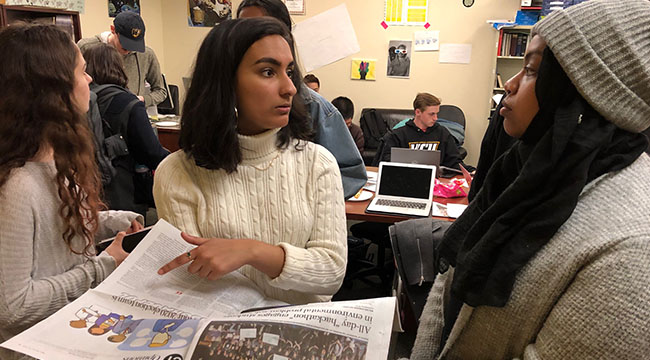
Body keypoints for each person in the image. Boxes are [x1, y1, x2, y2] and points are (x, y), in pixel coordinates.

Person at [408, 0, 650, 358]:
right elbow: (450, 278)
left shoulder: (630, 251)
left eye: (534, 70)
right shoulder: (526, 170)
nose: (510, 83)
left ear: (583, 92)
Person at [153, 17, 347, 305]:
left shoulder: (318, 164)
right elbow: (191, 280)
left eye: (289, 71)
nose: (290, 88)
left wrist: (252, 252)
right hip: (221, 330)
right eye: (268, 72)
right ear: (225, 83)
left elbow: (331, 270)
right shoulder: (178, 172)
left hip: (303, 333)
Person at [0, 24, 143, 359]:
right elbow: (12, 306)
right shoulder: (16, 185)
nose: (90, 80)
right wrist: (103, 266)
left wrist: (110, 221)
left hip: (71, 326)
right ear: (52, 90)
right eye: (82, 72)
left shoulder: (57, 159)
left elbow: (58, 227)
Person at [237, 0, 367, 200]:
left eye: (260, 28)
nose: (249, 38)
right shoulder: (223, 103)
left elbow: (351, 174)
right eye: (242, 29)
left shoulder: (315, 108)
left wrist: (297, 198)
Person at [82, 43, 170, 218]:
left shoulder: (81, 99)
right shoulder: (128, 103)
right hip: (126, 190)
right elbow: (151, 152)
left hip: (89, 188)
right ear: (118, 67)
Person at [77, 11, 166, 107]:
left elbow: (160, 91)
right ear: (113, 29)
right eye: (125, 44)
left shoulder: (146, 54)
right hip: (96, 114)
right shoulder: (86, 47)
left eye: (134, 45)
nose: (128, 50)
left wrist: (142, 99)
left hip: (131, 112)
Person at [379, 93, 461, 170]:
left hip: (437, 180)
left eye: (437, 114)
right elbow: (386, 163)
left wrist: (471, 172)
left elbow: (454, 161)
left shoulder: (442, 133)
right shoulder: (398, 135)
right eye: (431, 114)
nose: (435, 118)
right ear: (418, 112)